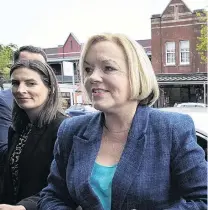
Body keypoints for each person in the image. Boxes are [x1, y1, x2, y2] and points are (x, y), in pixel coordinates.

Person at [39, 33, 207, 210]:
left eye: (108, 68)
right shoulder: (71, 130)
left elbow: (203, 199)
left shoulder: (172, 129)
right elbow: (52, 196)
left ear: (136, 74)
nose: (92, 77)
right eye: (88, 69)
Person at [0, 60, 67, 210]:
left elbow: (64, 186)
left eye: (30, 83)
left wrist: (24, 207)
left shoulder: (64, 129)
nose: (20, 89)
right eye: (15, 83)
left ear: (50, 88)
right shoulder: (18, 128)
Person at [0, 46, 48, 190]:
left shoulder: (63, 125)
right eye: (25, 64)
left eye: (38, 66)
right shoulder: (7, 105)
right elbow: (4, 151)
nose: (30, 69)